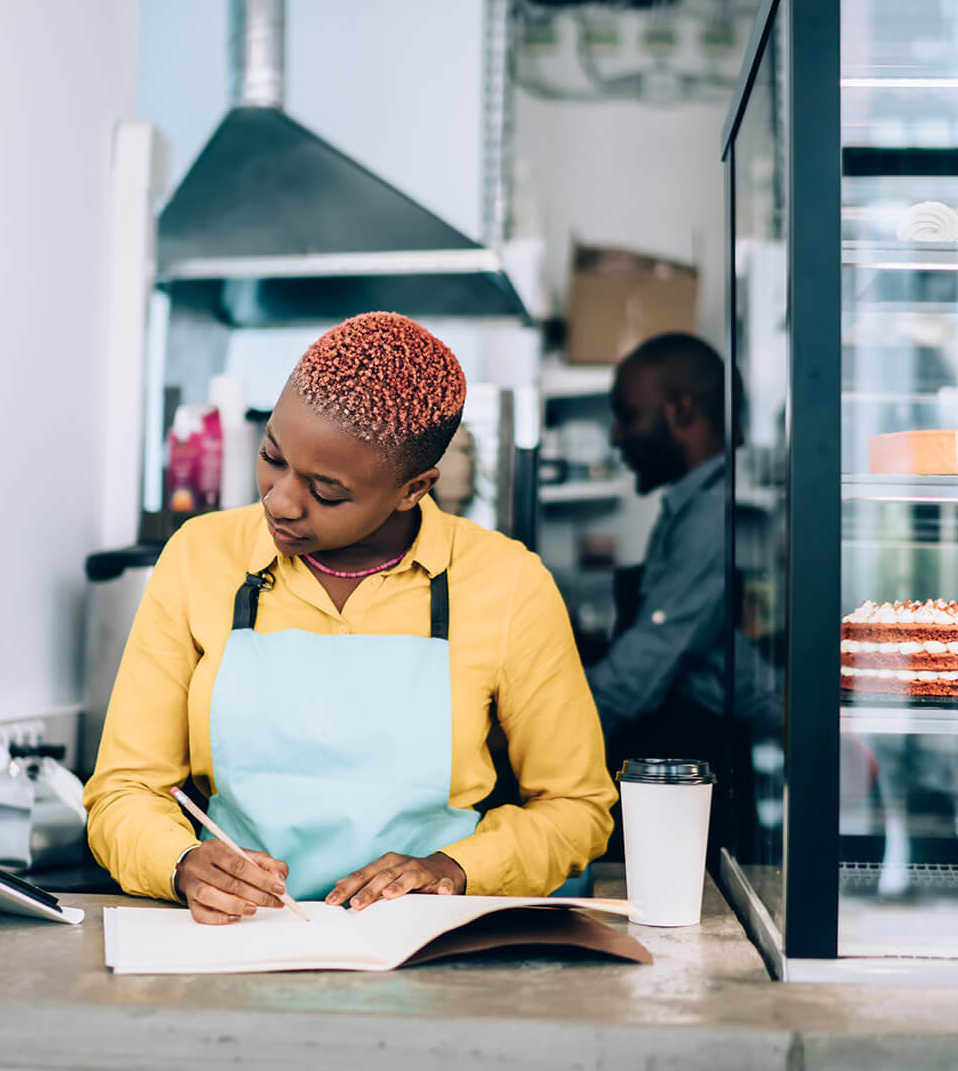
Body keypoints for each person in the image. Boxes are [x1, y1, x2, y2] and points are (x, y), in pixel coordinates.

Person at [84, 312, 617, 925]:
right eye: (271, 457)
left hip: (422, 949)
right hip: (237, 940)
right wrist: (181, 862)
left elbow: (577, 808)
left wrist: (453, 870)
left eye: (326, 491)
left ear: (413, 489)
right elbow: (122, 792)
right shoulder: (199, 558)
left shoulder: (508, 584)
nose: (279, 500)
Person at [586, 333, 750, 751]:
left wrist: (543, 728)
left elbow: (650, 657)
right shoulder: (691, 504)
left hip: (700, 750)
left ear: (681, 409)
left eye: (628, 415)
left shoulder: (716, 512)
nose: (617, 436)